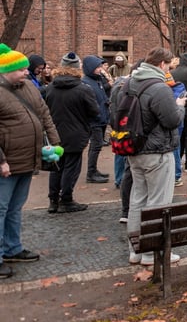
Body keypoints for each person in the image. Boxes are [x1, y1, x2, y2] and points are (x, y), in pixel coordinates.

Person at [114, 47, 186, 266]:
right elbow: (172, 121)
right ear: (162, 65)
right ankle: (151, 253)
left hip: (134, 150)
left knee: (137, 200)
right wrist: (179, 106)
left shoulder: (127, 83)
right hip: (157, 152)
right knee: (158, 202)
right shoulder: (159, 88)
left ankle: (135, 250)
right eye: (169, 66)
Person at [0, 44, 62, 279]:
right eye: (22, 69)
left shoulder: (28, 88)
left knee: (15, 208)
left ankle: (12, 248)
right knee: (1, 209)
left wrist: (55, 144)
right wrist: (1, 161)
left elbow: (44, 114)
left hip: (27, 159)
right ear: (7, 70)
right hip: (7, 162)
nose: (27, 72)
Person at [43, 52, 99, 213]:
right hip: (76, 133)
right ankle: (66, 200)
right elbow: (94, 111)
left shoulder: (50, 87)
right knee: (71, 168)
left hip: (55, 133)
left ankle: (53, 200)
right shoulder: (83, 89)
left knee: (56, 166)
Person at [81, 55, 111, 184]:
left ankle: (94, 170)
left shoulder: (97, 80)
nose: (100, 69)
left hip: (101, 118)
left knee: (97, 146)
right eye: (98, 67)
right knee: (96, 146)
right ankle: (91, 173)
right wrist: (98, 115)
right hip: (95, 121)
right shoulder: (87, 82)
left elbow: (102, 97)